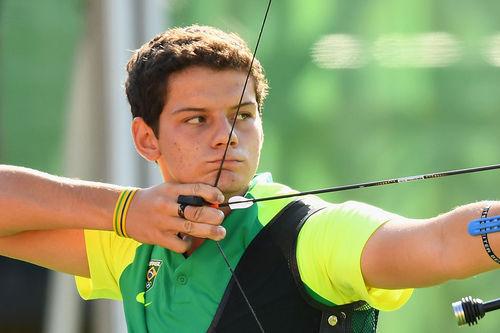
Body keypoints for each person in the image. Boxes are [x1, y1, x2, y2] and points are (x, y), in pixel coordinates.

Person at [0, 25, 499, 332]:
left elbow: (437, 243)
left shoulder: (309, 236)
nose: (226, 136)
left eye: (243, 115)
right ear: (146, 139)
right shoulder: (132, 241)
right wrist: (126, 212)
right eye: (198, 119)